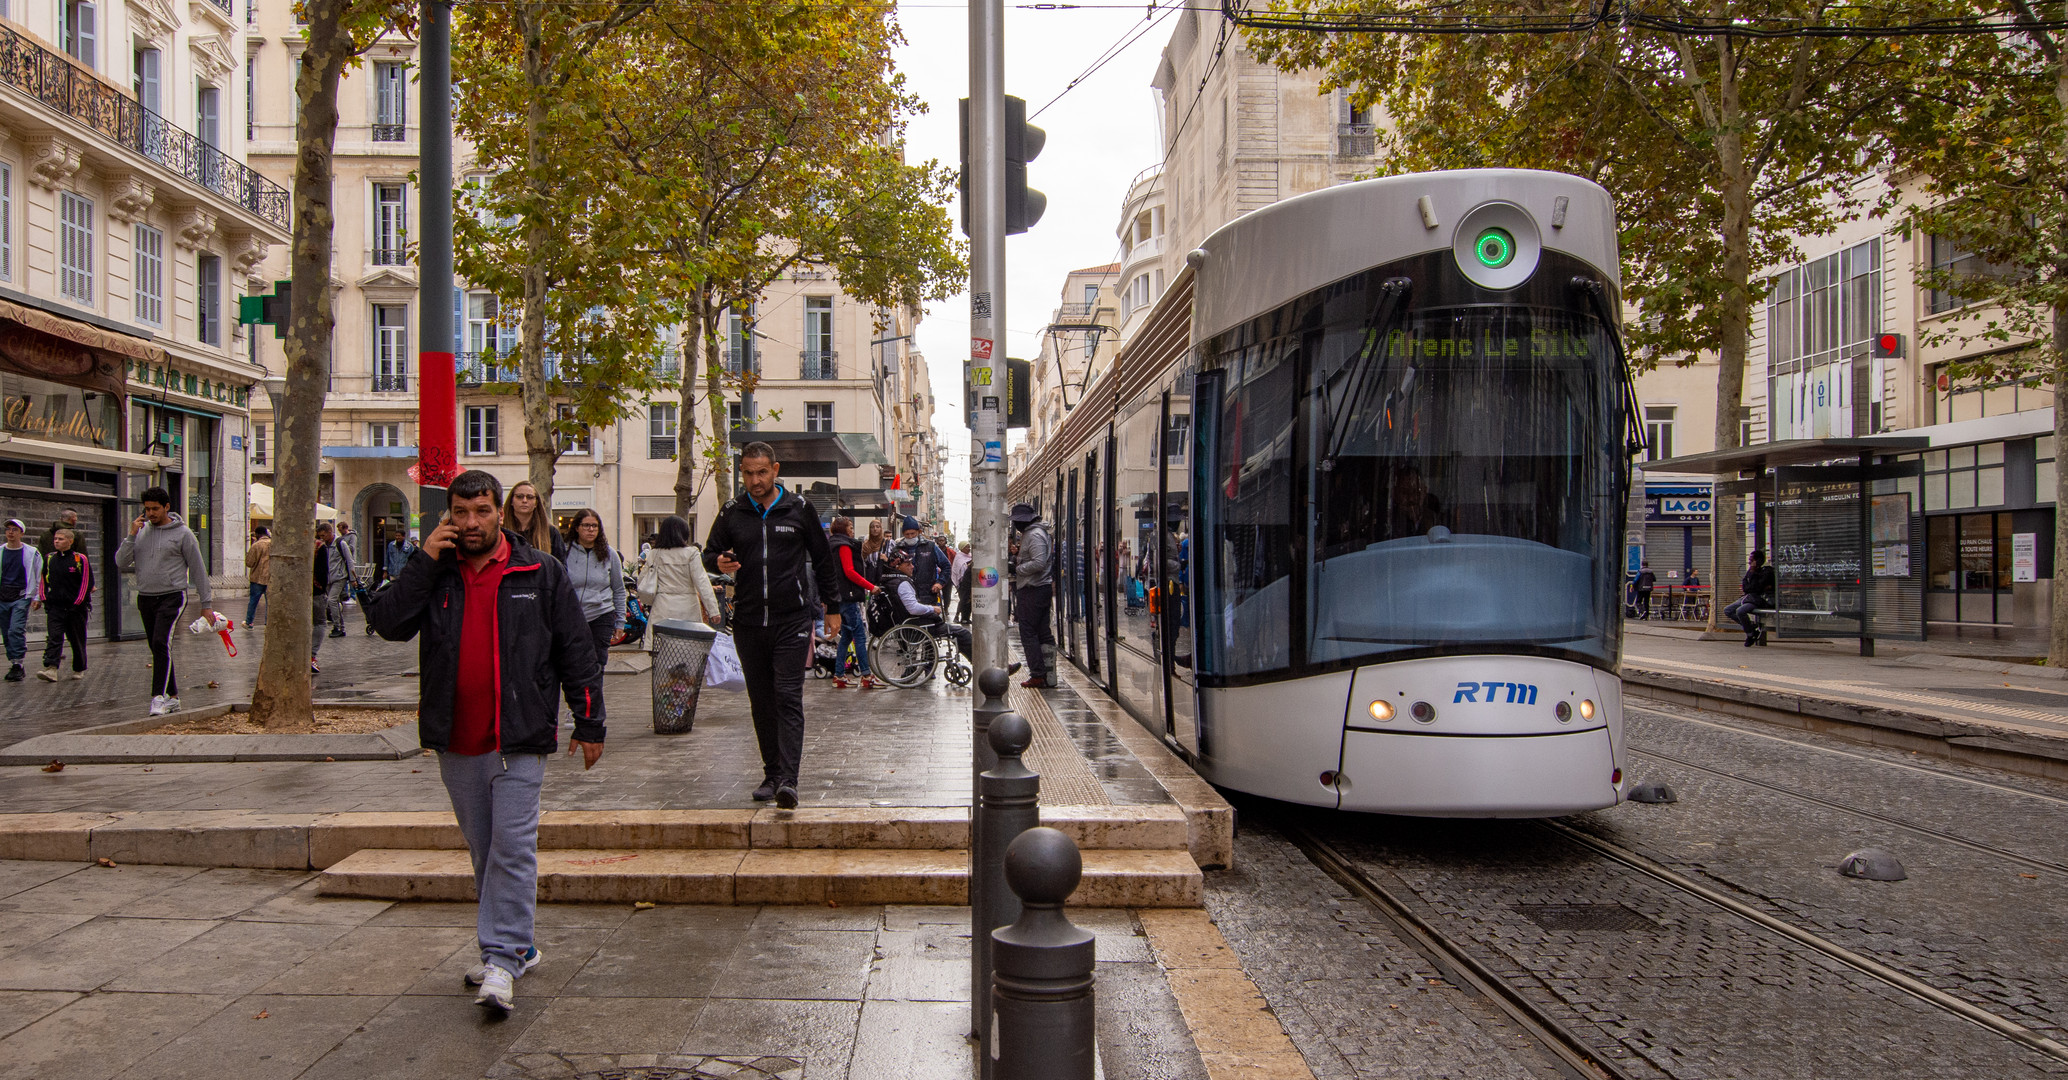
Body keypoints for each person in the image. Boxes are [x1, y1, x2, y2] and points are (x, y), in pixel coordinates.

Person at [366, 469, 604, 1015]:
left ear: (502, 512)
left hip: (519, 737)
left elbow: (575, 649)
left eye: (481, 512)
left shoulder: (539, 571)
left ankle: (500, 957)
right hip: (457, 739)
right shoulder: (437, 572)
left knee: (513, 846)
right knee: (484, 848)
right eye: (461, 513)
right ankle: (519, 942)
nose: (471, 523)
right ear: (448, 515)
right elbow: (388, 623)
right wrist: (423, 559)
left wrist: (589, 722)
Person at [704, 441, 842, 809]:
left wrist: (833, 606)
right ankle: (771, 772)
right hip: (749, 621)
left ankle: (789, 781)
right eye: (748, 473)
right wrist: (719, 561)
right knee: (761, 701)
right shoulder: (732, 511)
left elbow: (823, 558)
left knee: (787, 696)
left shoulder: (798, 508)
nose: (755, 480)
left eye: (761, 472)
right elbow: (707, 554)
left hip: (792, 619)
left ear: (775, 470)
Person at [115, 488, 218, 716]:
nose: (150, 513)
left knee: (161, 642)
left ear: (167, 507)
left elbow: (198, 569)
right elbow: (121, 561)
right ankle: (173, 698)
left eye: (155, 508)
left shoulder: (183, 534)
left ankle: (158, 698)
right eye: (147, 508)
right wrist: (131, 535)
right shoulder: (140, 532)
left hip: (173, 596)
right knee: (157, 647)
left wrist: (206, 603)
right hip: (146, 597)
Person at [637, 515, 721, 640]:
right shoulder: (691, 553)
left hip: (662, 606)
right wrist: (713, 610)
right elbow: (702, 582)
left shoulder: (655, 554)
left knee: (661, 651)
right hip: (688, 607)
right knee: (687, 649)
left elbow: (643, 579)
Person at [562, 508, 626, 668]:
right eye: (586, 525)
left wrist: (620, 622)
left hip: (601, 614)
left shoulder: (610, 554)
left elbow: (618, 589)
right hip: (572, 616)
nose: (591, 530)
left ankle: (595, 693)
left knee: (596, 663)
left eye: (594, 526)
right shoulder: (565, 551)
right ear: (576, 527)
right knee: (573, 665)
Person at [888, 544, 970, 660]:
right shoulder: (902, 584)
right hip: (917, 624)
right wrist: (932, 609)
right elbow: (913, 608)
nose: (912, 567)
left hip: (910, 622)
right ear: (898, 566)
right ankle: (977, 663)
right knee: (963, 633)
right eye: (908, 564)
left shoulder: (892, 581)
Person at [826, 516, 878, 689]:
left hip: (839, 596)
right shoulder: (843, 545)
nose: (852, 529)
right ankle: (866, 675)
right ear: (843, 529)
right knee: (860, 636)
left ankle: (839, 675)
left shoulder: (833, 544)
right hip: (847, 597)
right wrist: (871, 586)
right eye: (849, 526)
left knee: (847, 637)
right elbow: (849, 571)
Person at [1009, 503, 1056, 688]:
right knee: (1043, 632)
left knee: (1028, 633)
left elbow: (1038, 563)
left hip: (1033, 590)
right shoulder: (1037, 533)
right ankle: (1049, 675)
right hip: (1038, 589)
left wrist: (1017, 568)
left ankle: (1038, 674)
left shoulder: (1034, 535)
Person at [37, 526, 89, 680]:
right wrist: (44, 598)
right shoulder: (49, 558)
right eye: (55, 539)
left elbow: (85, 582)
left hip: (75, 608)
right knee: (54, 636)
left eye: (60, 539)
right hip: (55, 606)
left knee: (77, 638)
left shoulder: (80, 559)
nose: (56, 541)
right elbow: (43, 579)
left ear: (70, 541)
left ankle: (79, 668)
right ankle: (51, 668)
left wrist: (78, 602)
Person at [0, 520, 42, 682]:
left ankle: (18, 662)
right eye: (8, 530)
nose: (11, 533)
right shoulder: (1, 551)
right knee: (5, 631)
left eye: (15, 530)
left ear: (21, 533)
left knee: (15, 629)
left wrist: (37, 597)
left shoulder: (32, 553)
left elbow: (38, 575)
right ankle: (14, 662)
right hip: (3, 597)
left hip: (21, 596)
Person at [504, 480, 568, 563]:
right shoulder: (502, 530)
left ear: (536, 503)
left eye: (530, 497)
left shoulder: (550, 532)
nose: (524, 500)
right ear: (511, 501)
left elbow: (560, 567)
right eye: (519, 496)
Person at [1723, 550, 1777, 648]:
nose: (1749, 562)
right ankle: (1751, 627)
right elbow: (1746, 587)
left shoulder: (1767, 571)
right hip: (1749, 597)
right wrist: (1752, 579)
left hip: (1760, 600)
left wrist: (1753, 574)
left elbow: (1756, 587)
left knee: (1740, 611)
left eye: (1751, 560)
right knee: (1728, 610)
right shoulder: (1751, 571)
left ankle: (1750, 634)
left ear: (1758, 561)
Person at [318, 521, 356, 638]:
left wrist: (352, 578)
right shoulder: (323, 546)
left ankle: (337, 626)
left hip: (339, 577)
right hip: (328, 579)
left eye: (323, 535)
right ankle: (340, 626)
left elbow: (349, 560)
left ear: (330, 532)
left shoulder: (341, 543)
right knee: (333, 602)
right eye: (320, 536)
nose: (322, 538)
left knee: (332, 600)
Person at [900, 516, 943, 602]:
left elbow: (946, 566)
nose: (910, 536)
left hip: (928, 594)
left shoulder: (930, 546)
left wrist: (940, 583)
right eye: (907, 534)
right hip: (906, 595)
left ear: (919, 532)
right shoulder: (898, 549)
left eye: (913, 533)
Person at [244, 526, 272, 630]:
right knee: (270, 603)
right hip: (270, 578)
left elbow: (249, 563)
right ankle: (268, 622)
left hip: (257, 578)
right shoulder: (273, 544)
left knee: (253, 601)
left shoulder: (256, 545)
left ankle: (249, 622)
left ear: (257, 534)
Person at [954, 541, 973, 624]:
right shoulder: (959, 557)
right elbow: (958, 570)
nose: (968, 549)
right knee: (963, 600)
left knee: (969, 601)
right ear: (961, 548)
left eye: (969, 547)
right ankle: (958, 616)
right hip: (962, 583)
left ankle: (966, 618)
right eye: (966, 547)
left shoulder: (970, 556)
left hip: (970, 582)